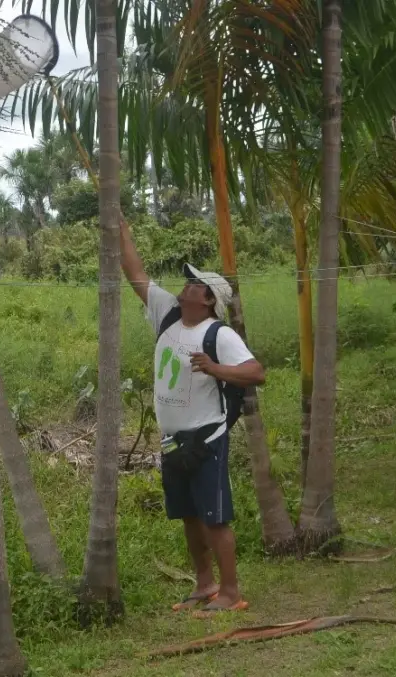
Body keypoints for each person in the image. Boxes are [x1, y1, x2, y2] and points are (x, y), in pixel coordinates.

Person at [119, 218, 265, 613]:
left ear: (208, 300)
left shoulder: (220, 334)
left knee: (216, 518)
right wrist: (122, 230)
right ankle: (205, 585)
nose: (185, 286)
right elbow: (135, 273)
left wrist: (216, 368)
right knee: (188, 515)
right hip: (172, 440)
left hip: (206, 438)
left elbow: (256, 372)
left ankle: (232, 593)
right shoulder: (167, 313)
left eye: (194, 285)